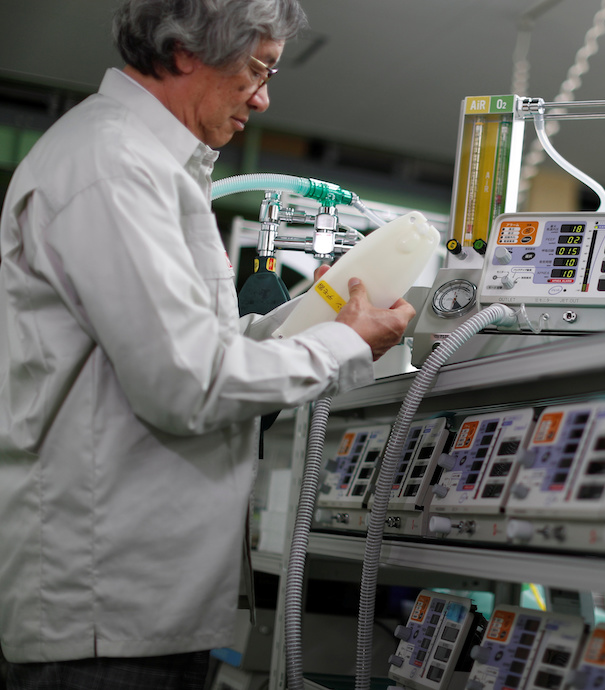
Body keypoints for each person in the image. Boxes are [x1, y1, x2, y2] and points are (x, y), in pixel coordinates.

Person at [0, 0, 417, 687]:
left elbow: (194, 348)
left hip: (143, 602)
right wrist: (341, 347)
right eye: (257, 68)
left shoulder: (149, 167)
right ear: (185, 51)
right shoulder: (113, 167)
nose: (264, 95)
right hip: (109, 616)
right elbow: (187, 384)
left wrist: (314, 319)